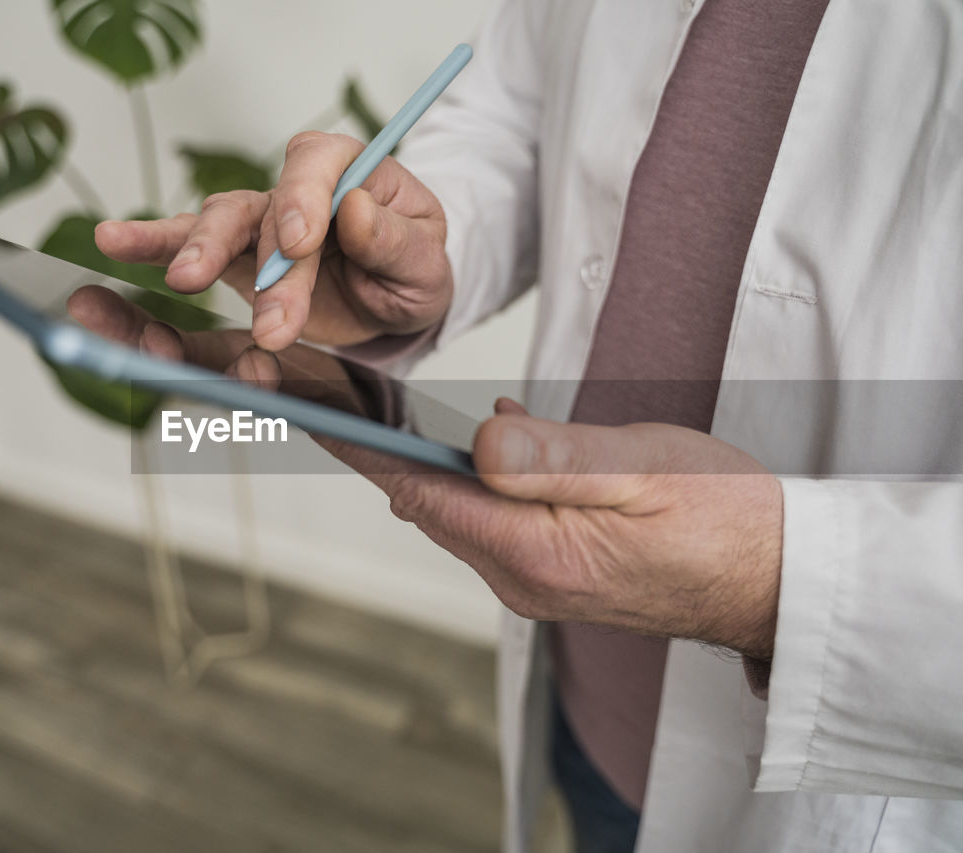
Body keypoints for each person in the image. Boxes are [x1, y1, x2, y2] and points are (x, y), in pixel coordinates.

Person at [70, 0, 963, 850]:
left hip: (855, 787)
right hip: (589, 692)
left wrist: (772, 583)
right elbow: (511, 123)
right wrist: (404, 256)